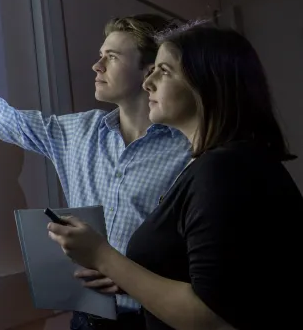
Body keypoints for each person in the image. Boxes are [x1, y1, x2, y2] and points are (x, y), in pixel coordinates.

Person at [0, 14, 191, 330]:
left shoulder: (187, 150)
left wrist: (130, 277)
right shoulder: (78, 132)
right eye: (101, 55)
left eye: (112, 57)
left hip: (154, 322)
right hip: (86, 320)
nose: (97, 66)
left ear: (149, 71)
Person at [46, 22, 303, 330]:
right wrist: (125, 277)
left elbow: (212, 318)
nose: (147, 83)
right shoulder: (229, 163)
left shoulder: (223, 172)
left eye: (164, 71)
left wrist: (101, 255)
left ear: (206, 84)